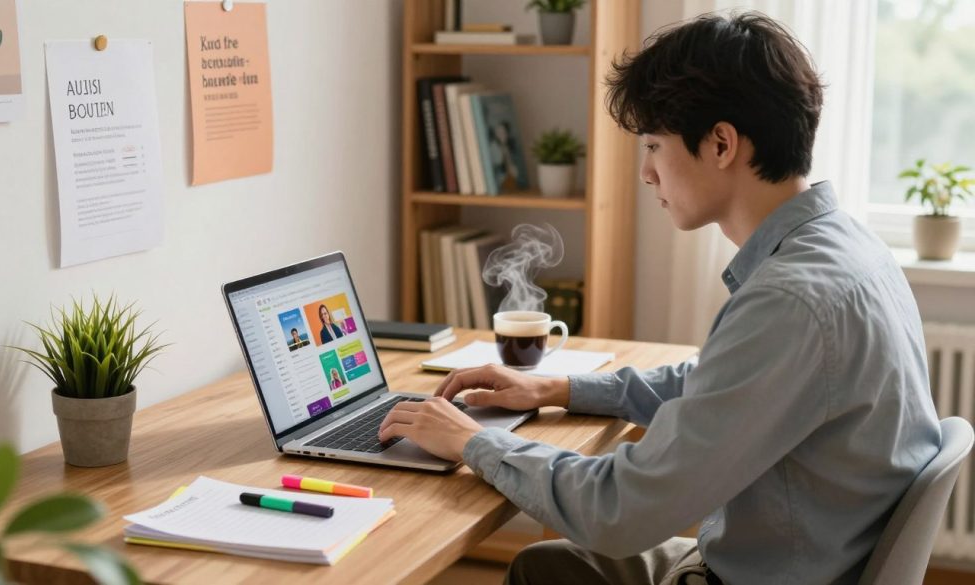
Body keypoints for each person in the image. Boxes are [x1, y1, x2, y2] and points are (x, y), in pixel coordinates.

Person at [379, 11, 941, 585]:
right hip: (806, 562)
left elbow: (617, 510)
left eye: (653, 144)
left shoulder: (791, 300)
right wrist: (559, 387)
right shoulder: (846, 248)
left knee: (547, 569)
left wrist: (473, 441)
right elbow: (720, 389)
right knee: (545, 567)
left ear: (721, 143)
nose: (646, 173)